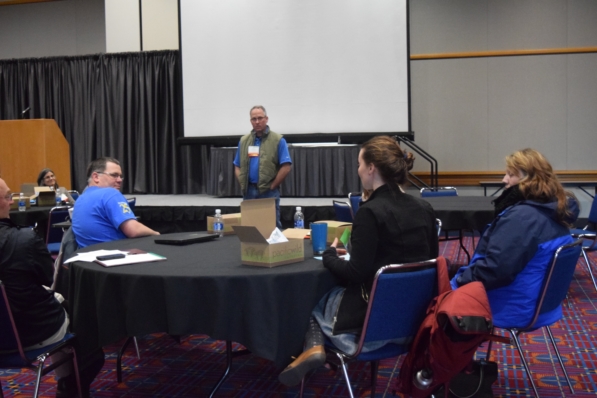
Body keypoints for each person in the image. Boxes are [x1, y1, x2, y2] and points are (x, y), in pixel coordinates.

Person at [278, 136, 439, 387]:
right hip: (416, 325)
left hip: (370, 327)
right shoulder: (424, 208)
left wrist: (330, 255)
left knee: (310, 296)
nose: (358, 170)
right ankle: (316, 349)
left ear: (372, 168)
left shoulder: (371, 212)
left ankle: (313, 347)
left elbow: (355, 272)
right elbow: (432, 263)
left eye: (359, 164)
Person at [451, 148, 579, 327]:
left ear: (529, 180)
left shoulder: (522, 218)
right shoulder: (555, 210)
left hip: (510, 307)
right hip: (542, 306)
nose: (504, 180)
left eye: (511, 175)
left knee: (430, 299)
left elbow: (496, 270)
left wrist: (458, 280)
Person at [0, 177, 103, 397]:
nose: (11, 202)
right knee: (82, 323)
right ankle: (70, 386)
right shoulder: (25, 240)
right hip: (30, 333)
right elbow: (48, 279)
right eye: (9, 196)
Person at [72, 157, 159, 248]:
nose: (120, 180)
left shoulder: (79, 200)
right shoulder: (110, 194)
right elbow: (133, 230)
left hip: (86, 258)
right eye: (114, 175)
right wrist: (156, 233)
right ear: (96, 177)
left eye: (120, 176)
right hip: (116, 256)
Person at [233, 106, 292, 228]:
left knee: (272, 228)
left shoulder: (278, 140)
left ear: (266, 119)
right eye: (254, 119)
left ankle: (276, 248)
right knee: (250, 229)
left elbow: (286, 167)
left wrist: (273, 186)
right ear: (250, 121)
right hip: (249, 192)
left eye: (260, 118)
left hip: (268, 191)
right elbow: (237, 166)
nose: (257, 122)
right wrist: (244, 184)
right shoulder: (244, 141)